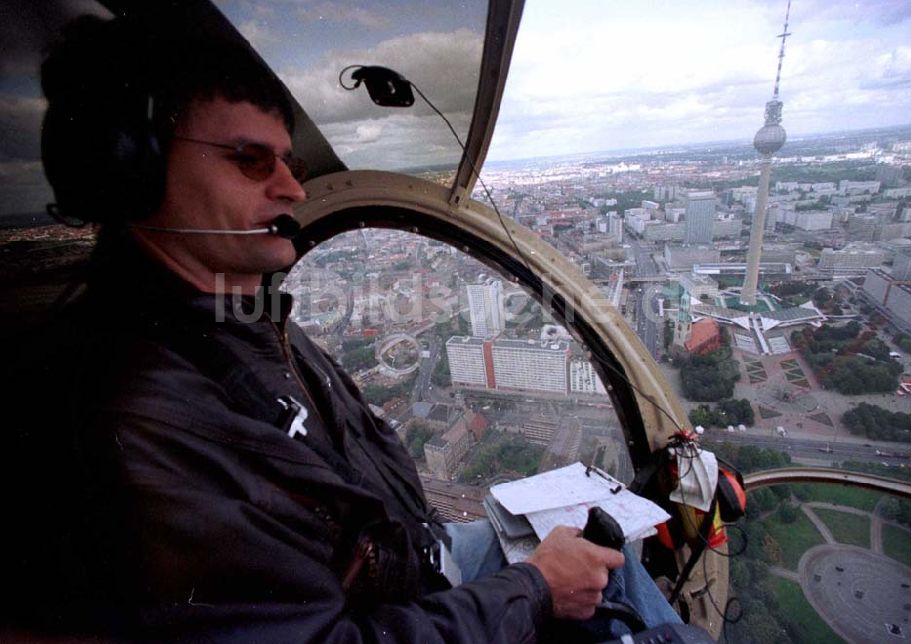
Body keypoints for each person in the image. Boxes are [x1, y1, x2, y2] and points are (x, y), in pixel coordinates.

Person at [3, 13, 680, 642]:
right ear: (136, 175)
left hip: (417, 563)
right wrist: (533, 590)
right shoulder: (137, 419)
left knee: (604, 548)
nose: (293, 191)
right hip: (395, 609)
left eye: (290, 165)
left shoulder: (237, 321)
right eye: (250, 159)